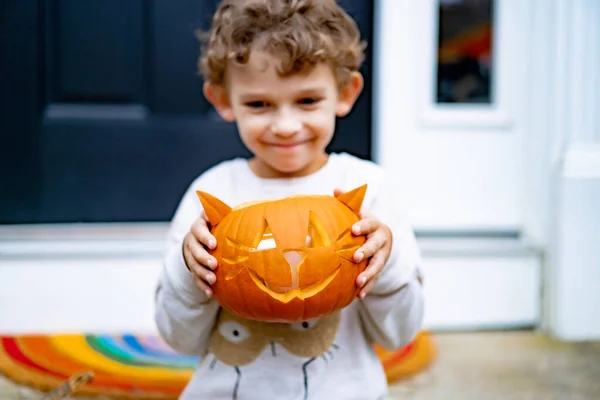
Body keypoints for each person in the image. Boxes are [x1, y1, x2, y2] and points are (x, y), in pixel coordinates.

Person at [154, 1, 425, 399]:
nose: (285, 126)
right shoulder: (211, 198)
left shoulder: (366, 191)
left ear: (345, 94)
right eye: (259, 104)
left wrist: (387, 264)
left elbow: (400, 332)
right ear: (223, 100)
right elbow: (179, 339)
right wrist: (187, 273)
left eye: (308, 101)